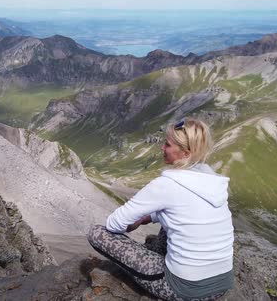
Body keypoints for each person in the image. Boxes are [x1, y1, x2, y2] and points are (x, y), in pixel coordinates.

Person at [87, 118, 234, 301]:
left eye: (167, 145)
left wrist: (135, 223)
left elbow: (114, 223)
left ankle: (152, 259)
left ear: (185, 153)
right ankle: (155, 252)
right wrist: (147, 218)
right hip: (222, 283)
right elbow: (183, 208)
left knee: (97, 233)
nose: (162, 148)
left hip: (184, 289)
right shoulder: (212, 182)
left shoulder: (166, 185)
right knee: (167, 217)